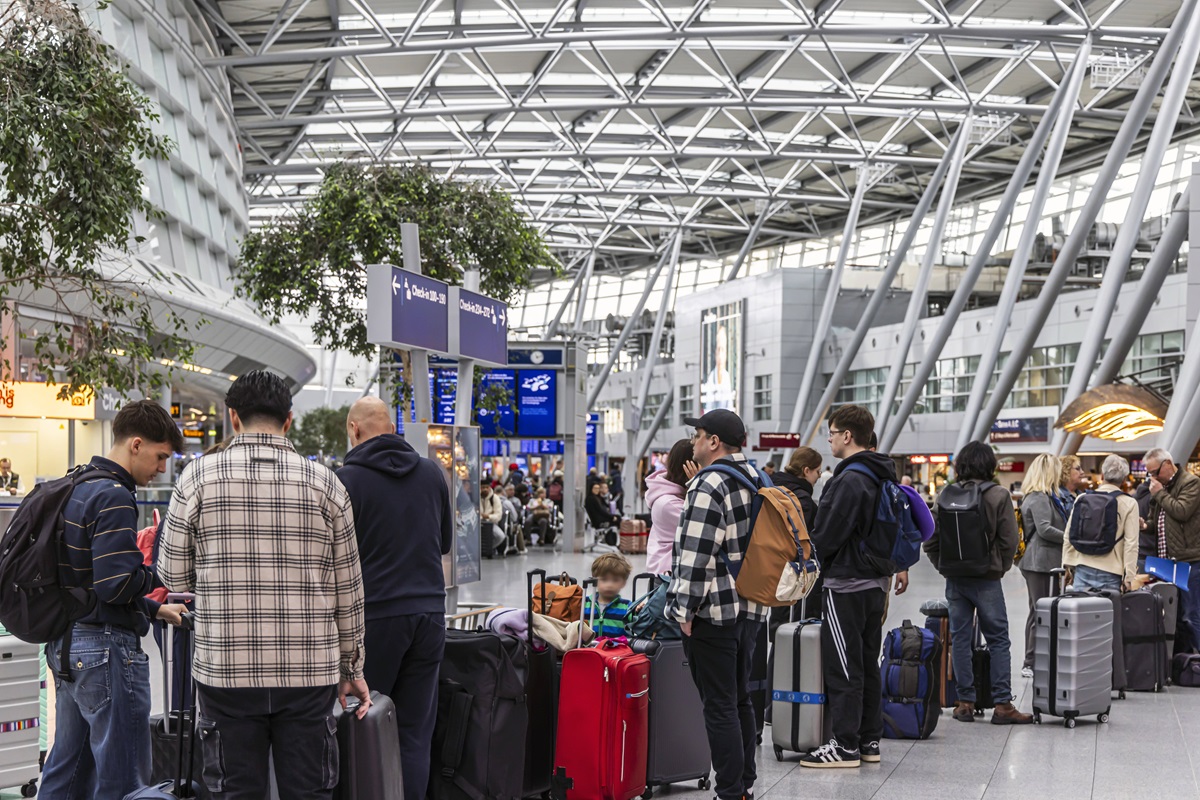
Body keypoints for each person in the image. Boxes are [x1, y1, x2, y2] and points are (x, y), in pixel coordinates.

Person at [159, 370, 371, 799]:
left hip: (225, 671)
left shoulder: (196, 480)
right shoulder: (328, 484)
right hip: (309, 671)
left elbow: (173, 576)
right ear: (289, 420)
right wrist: (352, 669)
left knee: (236, 792)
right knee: (309, 791)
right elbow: (349, 591)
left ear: (233, 417)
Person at [41, 401, 186, 799]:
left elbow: (85, 580)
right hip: (106, 651)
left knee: (66, 772)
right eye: (160, 457)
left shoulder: (77, 484)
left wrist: (155, 608)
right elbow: (115, 585)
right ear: (135, 445)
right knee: (125, 782)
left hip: (67, 646)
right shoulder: (116, 496)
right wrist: (157, 567)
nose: (161, 468)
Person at [335, 396, 452, 800]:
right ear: (391, 427)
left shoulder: (345, 480)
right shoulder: (431, 473)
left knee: (365, 722)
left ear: (354, 429)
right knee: (415, 731)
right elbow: (445, 543)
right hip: (429, 614)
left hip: (375, 619)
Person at [666, 408, 765, 800]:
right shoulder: (756, 476)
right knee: (740, 698)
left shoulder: (708, 485)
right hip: (751, 609)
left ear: (713, 443)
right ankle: (743, 784)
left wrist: (682, 610)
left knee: (719, 705)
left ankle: (729, 790)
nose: (693, 441)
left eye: (698, 435)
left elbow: (696, 555)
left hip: (714, 613)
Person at [802, 406, 903, 769]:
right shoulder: (881, 475)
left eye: (831, 432)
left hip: (845, 584)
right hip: (875, 583)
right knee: (866, 661)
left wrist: (810, 558)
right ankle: (868, 740)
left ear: (847, 435)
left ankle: (844, 745)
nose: (828, 439)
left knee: (843, 665)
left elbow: (827, 535)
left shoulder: (848, 480)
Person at [926, 441, 1028, 725]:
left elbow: (930, 537)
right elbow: (1010, 540)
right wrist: (999, 567)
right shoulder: (998, 495)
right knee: (998, 640)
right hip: (986, 579)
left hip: (955, 579)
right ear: (989, 465)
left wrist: (943, 566)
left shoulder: (946, 494)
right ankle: (1003, 704)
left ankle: (964, 703)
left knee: (960, 639)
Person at [1017, 453, 1069, 678]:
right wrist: (1070, 537)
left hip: (1043, 561)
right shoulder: (1039, 497)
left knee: (1039, 610)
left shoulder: (1044, 496)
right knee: (1040, 612)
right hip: (1039, 562)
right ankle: (1030, 662)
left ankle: (1036, 659)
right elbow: (1045, 529)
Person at [1144, 447, 1200, 653]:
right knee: (1171, 615)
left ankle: (1196, 661)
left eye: (1155, 471)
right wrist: (1145, 525)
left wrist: (1159, 493)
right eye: (1149, 473)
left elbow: (1182, 511)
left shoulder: (1191, 483)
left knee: (1191, 613)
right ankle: (1179, 660)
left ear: (1168, 464)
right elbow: (1158, 521)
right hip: (1165, 561)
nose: (1152, 477)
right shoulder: (1162, 486)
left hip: (1188, 560)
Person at [1063, 455, 1140, 592]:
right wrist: (1129, 577)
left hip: (1082, 567)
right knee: (1107, 613)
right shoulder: (1129, 503)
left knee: (1080, 612)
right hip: (1111, 572)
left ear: (1102, 475)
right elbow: (1131, 544)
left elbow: (1069, 534)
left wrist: (1067, 564)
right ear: (1123, 479)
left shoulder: (1082, 498)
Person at [645, 439, 697, 576]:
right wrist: (699, 485)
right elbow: (703, 525)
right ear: (689, 467)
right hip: (669, 577)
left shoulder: (673, 495)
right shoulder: (668, 503)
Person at [582, 553, 633, 638]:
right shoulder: (583, 603)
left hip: (616, 650)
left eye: (615, 580)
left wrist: (640, 610)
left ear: (623, 582)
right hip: (589, 650)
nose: (609, 584)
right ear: (594, 580)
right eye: (604, 579)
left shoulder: (628, 607)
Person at [480, 480, 506, 554]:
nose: (485, 489)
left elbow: (498, 515)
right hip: (478, 523)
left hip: (491, 523)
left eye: (486, 487)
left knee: (500, 536)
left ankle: (488, 549)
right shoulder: (476, 497)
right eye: (482, 487)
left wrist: (488, 516)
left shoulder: (495, 498)